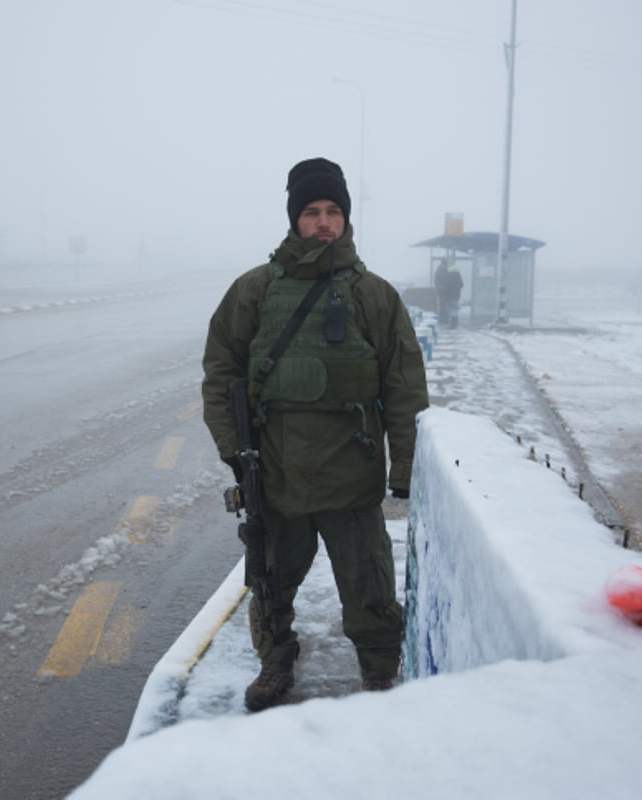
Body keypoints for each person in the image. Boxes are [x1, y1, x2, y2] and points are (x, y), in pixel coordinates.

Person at [201, 157, 430, 712]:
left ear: (346, 219)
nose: (324, 222)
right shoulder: (253, 291)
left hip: (351, 474)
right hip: (276, 474)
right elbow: (221, 373)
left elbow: (404, 388)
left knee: (370, 587)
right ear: (293, 219)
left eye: (333, 211)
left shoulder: (374, 296)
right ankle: (276, 661)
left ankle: (378, 672)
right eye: (311, 212)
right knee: (271, 582)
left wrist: (405, 470)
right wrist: (236, 453)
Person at [440, 260, 464, 329]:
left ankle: (453, 325)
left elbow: (446, 286)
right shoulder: (458, 276)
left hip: (450, 296)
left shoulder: (450, 276)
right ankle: (455, 324)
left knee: (451, 310)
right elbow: (461, 285)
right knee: (455, 310)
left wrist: (446, 294)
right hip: (456, 296)